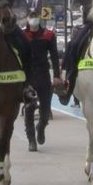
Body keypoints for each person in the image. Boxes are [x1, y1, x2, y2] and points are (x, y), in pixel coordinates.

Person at [22, 9, 62, 151]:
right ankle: (31, 140)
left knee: (45, 112)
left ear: (39, 18)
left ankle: (41, 127)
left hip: (44, 76)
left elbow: (55, 56)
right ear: (27, 18)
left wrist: (57, 75)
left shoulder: (49, 35)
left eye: (35, 16)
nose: (33, 19)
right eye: (31, 16)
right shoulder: (22, 35)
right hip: (28, 78)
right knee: (29, 108)